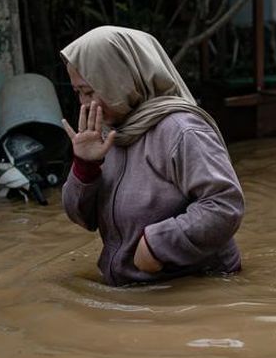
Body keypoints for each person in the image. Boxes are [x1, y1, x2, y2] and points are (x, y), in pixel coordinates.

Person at [59, 26, 244, 286]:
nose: (84, 104)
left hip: (192, 292)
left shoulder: (181, 130)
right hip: (135, 293)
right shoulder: (107, 133)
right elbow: (82, 219)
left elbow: (224, 204)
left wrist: (159, 245)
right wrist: (85, 166)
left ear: (121, 79)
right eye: (78, 93)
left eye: (90, 91)